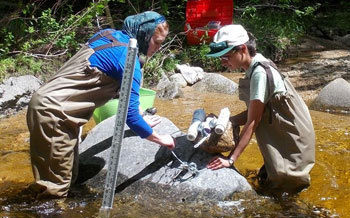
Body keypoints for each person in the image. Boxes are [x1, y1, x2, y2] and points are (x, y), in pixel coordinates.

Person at [26, 11, 175, 198]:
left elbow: (127, 97)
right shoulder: (128, 60)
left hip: (48, 105)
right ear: (144, 35)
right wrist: (161, 139)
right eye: (157, 42)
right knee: (54, 191)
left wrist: (143, 118)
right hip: (55, 114)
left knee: (64, 177)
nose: (158, 48)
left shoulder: (107, 35)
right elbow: (131, 118)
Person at [206, 24, 315, 192]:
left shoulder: (259, 74)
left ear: (242, 49)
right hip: (283, 133)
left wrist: (231, 159)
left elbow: (253, 121)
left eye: (226, 56)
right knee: (270, 182)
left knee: (285, 187)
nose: (222, 61)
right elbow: (260, 111)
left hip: (292, 138)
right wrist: (229, 120)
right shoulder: (256, 63)